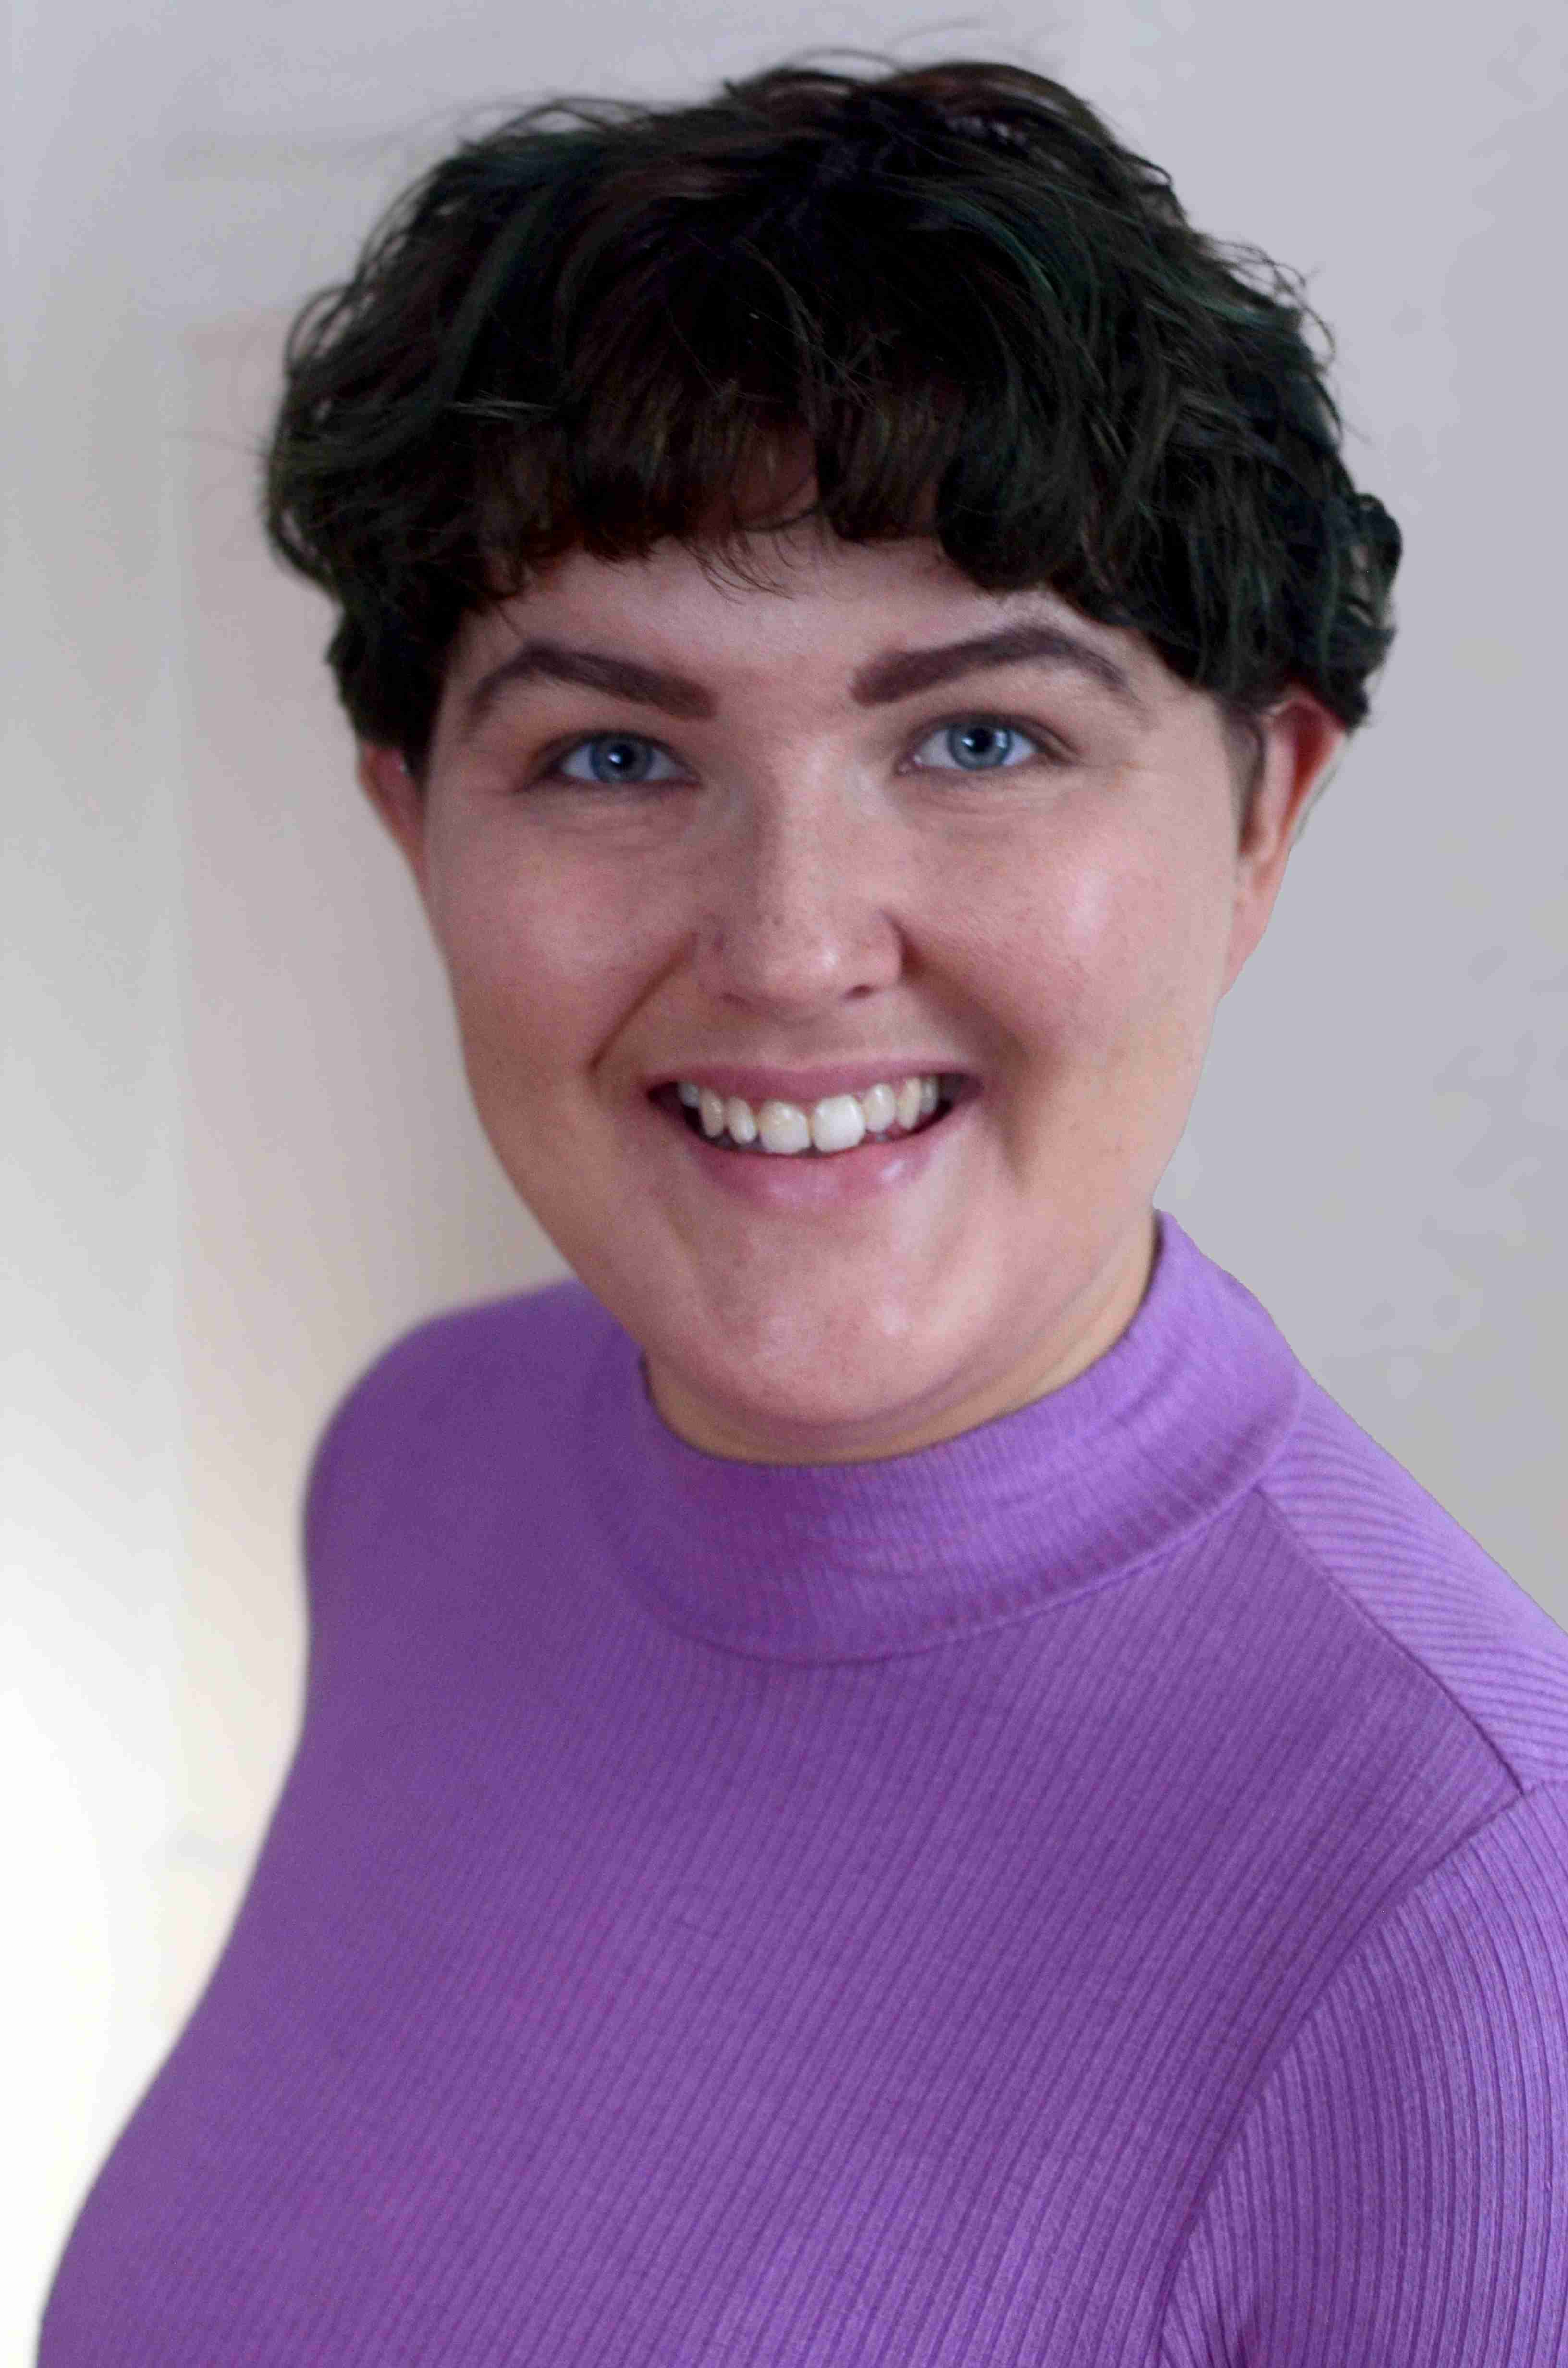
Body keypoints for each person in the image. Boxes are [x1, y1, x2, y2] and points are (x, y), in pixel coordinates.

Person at [39, 55, 1568, 2367]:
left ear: (1264, 810)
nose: (788, 942)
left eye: (979, 737)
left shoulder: (1473, 1926)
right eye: (612, 752)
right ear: (414, 822)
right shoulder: (422, 1461)